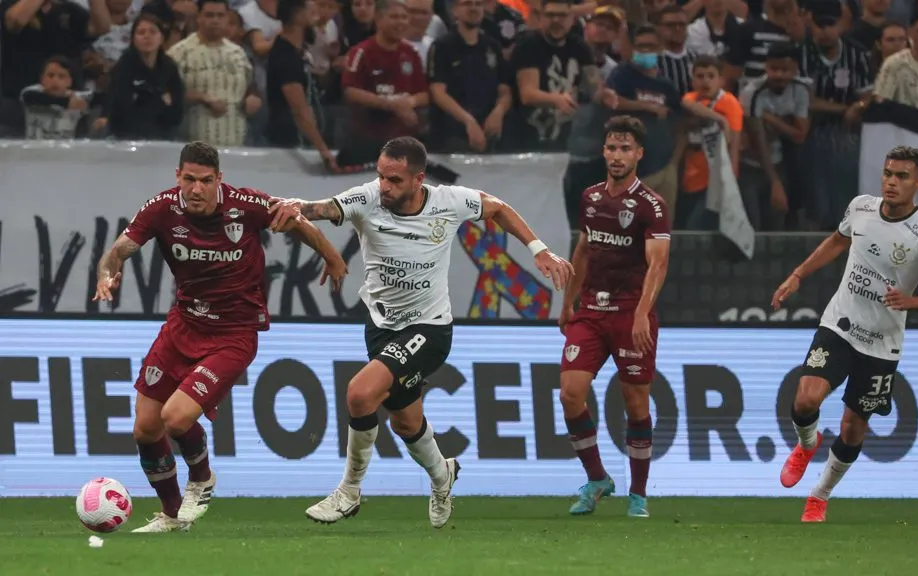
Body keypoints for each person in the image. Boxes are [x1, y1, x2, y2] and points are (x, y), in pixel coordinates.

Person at [267, 136, 573, 528]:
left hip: (428, 329)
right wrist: (298, 205)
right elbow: (323, 208)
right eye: (381, 176)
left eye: (394, 179)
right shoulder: (368, 198)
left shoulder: (449, 201)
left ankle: (349, 492)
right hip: (380, 327)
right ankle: (442, 474)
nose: (384, 187)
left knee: (360, 394)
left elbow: (497, 208)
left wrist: (539, 249)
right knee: (406, 423)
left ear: (418, 179)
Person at [92, 141, 346, 533]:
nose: (196, 189)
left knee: (175, 419)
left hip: (233, 333)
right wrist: (107, 274)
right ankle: (174, 516)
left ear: (219, 181)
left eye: (205, 181)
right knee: (145, 427)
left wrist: (332, 257)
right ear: (178, 177)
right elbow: (120, 250)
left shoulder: (246, 205)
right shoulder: (161, 208)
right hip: (183, 326)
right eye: (189, 179)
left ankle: (203, 478)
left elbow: (296, 222)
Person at [770, 145, 918, 522]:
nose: (891, 182)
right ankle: (807, 444)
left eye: (902, 176)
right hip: (840, 323)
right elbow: (837, 241)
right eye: (888, 173)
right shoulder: (861, 208)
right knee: (806, 399)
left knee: (854, 426)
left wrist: (909, 301)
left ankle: (820, 495)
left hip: (882, 343)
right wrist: (798, 274)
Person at [557, 115, 671, 519]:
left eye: (625, 149)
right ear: (603, 150)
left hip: (629, 312)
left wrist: (642, 313)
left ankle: (638, 493)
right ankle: (597, 478)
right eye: (611, 147)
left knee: (635, 404)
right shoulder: (589, 196)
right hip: (590, 309)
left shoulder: (651, 205)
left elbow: (658, 266)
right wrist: (568, 302)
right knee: (570, 393)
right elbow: (584, 250)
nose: (617, 155)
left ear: (639, 154)